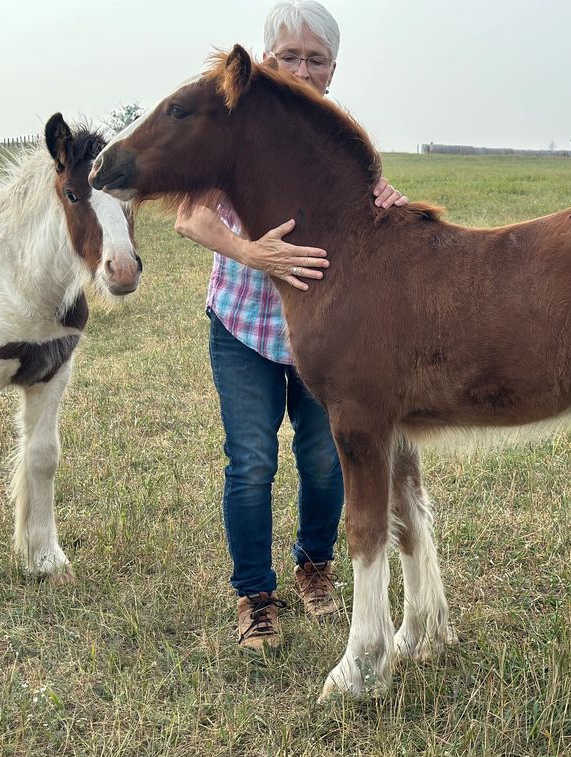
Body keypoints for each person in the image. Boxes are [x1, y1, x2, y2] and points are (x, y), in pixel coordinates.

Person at [173, 0, 408, 652]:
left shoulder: (343, 136)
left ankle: (315, 564)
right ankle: (254, 595)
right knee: (250, 461)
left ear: (333, 69)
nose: (302, 69)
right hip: (244, 326)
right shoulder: (233, 126)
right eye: (289, 57)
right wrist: (254, 252)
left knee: (324, 459)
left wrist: (386, 198)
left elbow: (372, 214)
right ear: (268, 59)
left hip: (327, 335)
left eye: (316, 59)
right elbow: (189, 218)